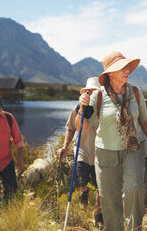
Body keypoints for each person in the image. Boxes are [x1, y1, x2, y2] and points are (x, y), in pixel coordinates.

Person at [77, 51, 147, 231]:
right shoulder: (98, 96)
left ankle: (135, 228)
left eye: (127, 66)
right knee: (109, 198)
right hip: (105, 152)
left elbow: (144, 121)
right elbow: (83, 127)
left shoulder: (135, 92)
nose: (127, 70)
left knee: (135, 187)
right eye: (121, 67)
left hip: (133, 148)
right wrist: (81, 108)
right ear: (109, 73)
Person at [57, 77, 103, 226]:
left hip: (99, 154)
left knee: (100, 188)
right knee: (79, 184)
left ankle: (98, 216)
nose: (91, 94)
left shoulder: (104, 109)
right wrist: (65, 146)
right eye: (88, 92)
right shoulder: (78, 108)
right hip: (82, 151)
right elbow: (71, 128)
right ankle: (84, 196)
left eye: (95, 91)